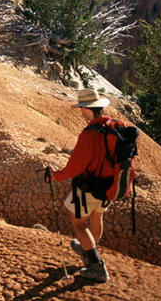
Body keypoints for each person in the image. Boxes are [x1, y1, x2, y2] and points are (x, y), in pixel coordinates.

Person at [52, 88, 116, 283]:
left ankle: (96, 266)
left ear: (88, 110)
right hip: (110, 187)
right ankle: (90, 251)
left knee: (79, 224)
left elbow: (75, 166)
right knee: (97, 218)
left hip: (90, 186)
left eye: (82, 108)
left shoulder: (89, 134)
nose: (81, 112)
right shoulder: (114, 127)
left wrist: (56, 176)